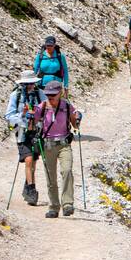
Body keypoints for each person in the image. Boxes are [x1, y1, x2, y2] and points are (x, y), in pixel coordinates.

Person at [31, 79, 82, 218]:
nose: (50, 98)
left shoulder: (66, 106)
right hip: (48, 146)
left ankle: (67, 204)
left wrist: (77, 119)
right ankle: (53, 207)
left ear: (60, 93)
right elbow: (32, 125)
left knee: (67, 170)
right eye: (48, 95)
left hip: (64, 144)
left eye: (53, 95)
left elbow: (75, 125)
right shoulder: (42, 107)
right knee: (50, 177)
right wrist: (29, 115)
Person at [5, 70, 46, 205]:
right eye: (27, 84)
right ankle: (31, 190)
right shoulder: (15, 96)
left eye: (32, 83)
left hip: (37, 132)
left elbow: (47, 111)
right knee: (29, 160)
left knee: (33, 161)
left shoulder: (40, 94)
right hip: (22, 133)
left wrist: (37, 116)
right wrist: (22, 116)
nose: (30, 86)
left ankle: (28, 185)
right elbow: (9, 116)